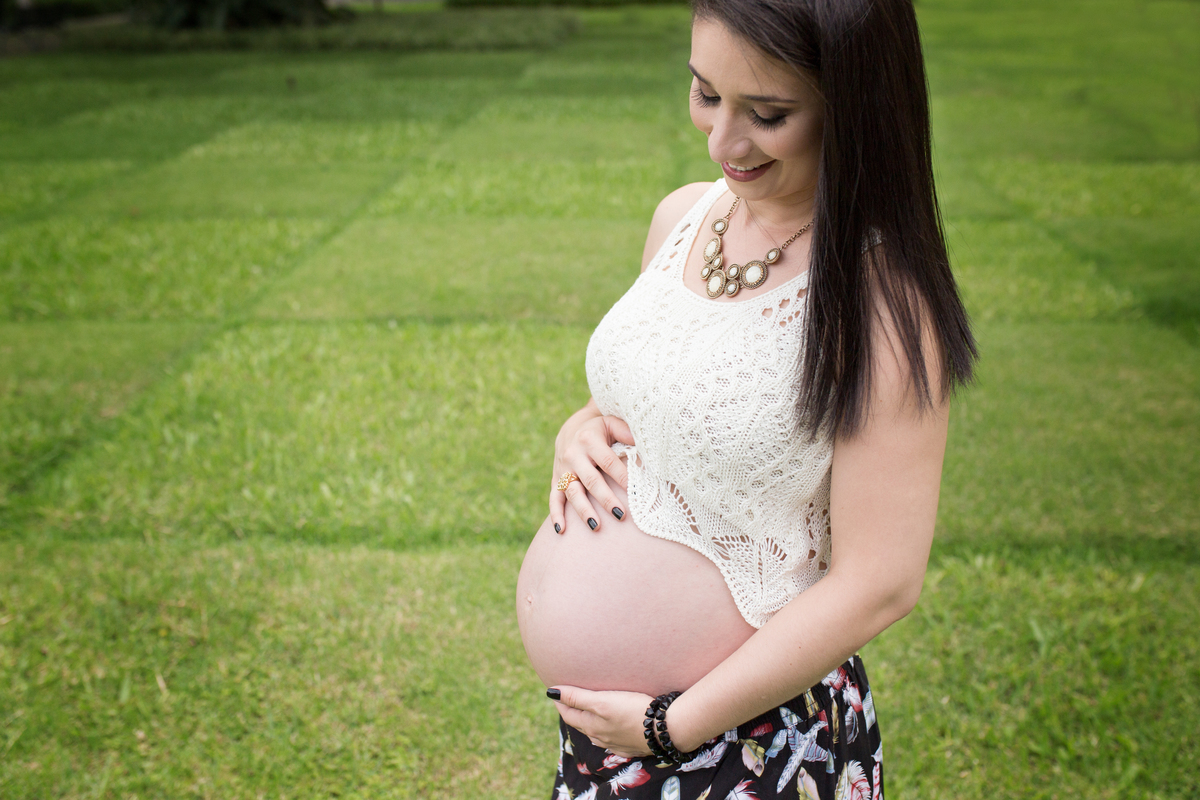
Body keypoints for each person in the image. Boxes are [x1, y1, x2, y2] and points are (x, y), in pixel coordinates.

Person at [516, 0, 976, 797]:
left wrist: (673, 725)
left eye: (767, 114)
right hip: (609, 737)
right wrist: (578, 429)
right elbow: (662, 398)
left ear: (856, 107)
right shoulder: (681, 219)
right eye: (705, 94)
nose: (723, 141)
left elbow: (881, 580)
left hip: (748, 744)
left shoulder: (882, 308)